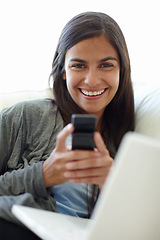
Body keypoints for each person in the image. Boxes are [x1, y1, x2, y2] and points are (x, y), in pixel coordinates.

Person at [0, 11, 134, 239]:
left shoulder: (128, 140)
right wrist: (43, 174)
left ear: (122, 70)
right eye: (78, 66)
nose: (91, 80)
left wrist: (113, 187)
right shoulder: (25, 116)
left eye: (106, 65)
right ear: (62, 70)